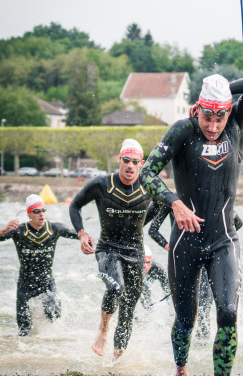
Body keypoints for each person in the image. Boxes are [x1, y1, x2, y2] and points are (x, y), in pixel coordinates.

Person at [141, 73, 243, 376]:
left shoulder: (236, 123)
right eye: (207, 117)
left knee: (227, 312)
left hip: (223, 239)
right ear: (197, 110)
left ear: (228, 112)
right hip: (185, 242)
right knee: (186, 319)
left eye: (219, 117)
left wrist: (225, 92)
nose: (213, 126)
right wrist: (174, 203)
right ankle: (181, 375)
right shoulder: (182, 131)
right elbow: (147, 173)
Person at [69, 138, 156, 362]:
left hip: (135, 252)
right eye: (126, 160)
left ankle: (117, 360)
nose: (130, 165)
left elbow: (165, 204)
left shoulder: (149, 185)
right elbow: (75, 205)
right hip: (108, 248)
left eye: (135, 161)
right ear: (119, 159)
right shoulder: (101, 184)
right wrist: (82, 233)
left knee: (128, 309)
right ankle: (103, 328)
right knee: (115, 287)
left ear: (141, 163)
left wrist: (141, 223)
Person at [148, 202, 243, 340]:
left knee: (204, 308)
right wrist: (171, 247)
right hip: (184, 260)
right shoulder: (174, 202)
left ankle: (201, 347)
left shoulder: (212, 200)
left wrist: (219, 243)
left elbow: (237, 222)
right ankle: (182, 346)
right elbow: (153, 230)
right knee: (184, 311)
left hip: (205, 260)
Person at [0, 194, 79, 336]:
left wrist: (89, 241)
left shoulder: (55, 228)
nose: (41, 214)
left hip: (46, 283)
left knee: (54, 314)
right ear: (29, 214)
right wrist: (4, 230)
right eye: (36, 211)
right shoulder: (18, 230)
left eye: (43, 210)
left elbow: (81, 235)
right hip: (25, 286)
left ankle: (47, 345)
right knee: (23, 331)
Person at [140, 244, 171, 310]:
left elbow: (167, 291)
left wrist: (171, 310)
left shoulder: (158, 269)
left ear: (151, 262)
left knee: (147, 303)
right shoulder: (132, 269)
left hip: (145, 286)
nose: (145, 266)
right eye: (142, 262)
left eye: (148, 262)